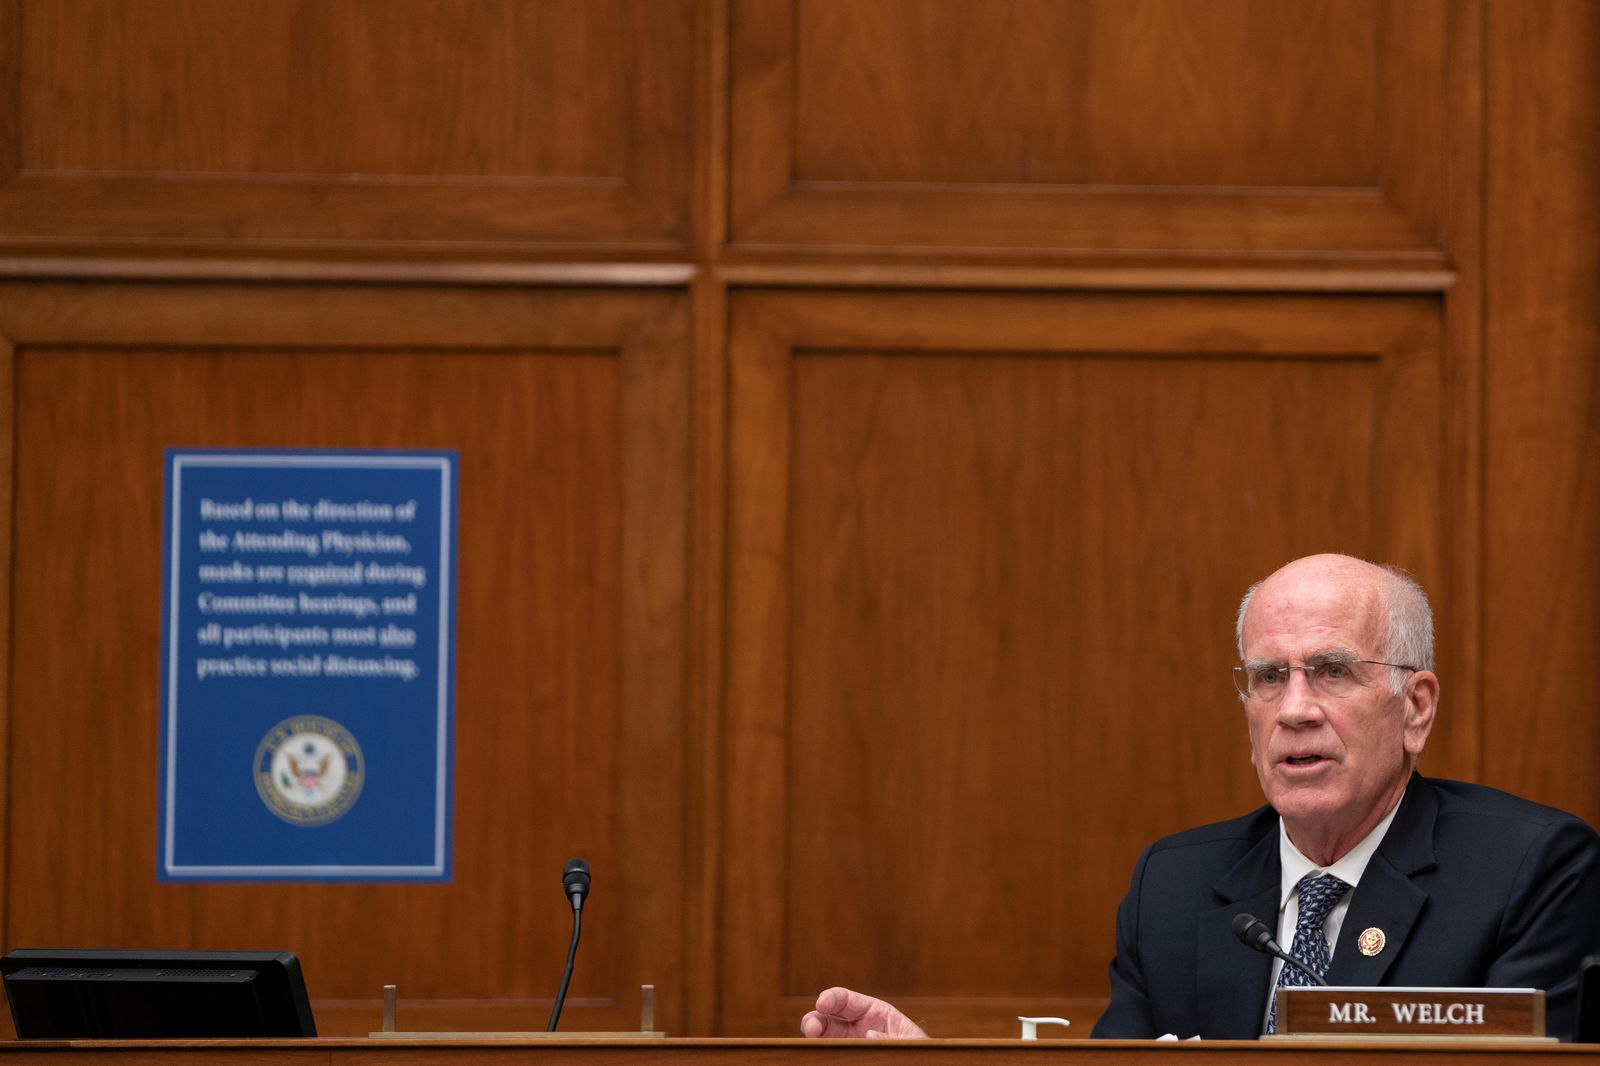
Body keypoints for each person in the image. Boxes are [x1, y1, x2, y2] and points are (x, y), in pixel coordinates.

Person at [800, 554, 1600, 1041]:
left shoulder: (1529, 870)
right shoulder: (1176, 884)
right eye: (1266, 678)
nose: (1294, 708)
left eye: (1332, 671)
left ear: (1416, 706)